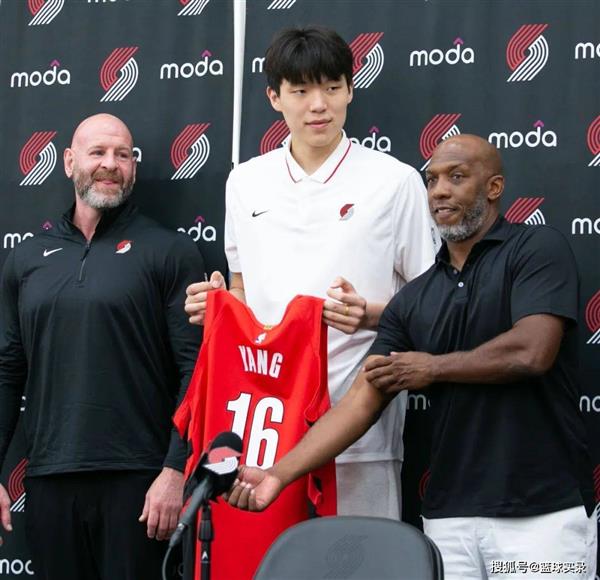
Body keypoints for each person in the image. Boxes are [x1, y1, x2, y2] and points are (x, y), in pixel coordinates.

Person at [226, 135, 597, 580]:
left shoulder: (536, 249)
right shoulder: (415, 297)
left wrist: (432, 367)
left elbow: (531, 351)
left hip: (541, 515)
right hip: (448, 520)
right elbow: (361, 400)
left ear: (494, 187)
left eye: (456, 177)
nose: (439, 191)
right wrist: (277, 474)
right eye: (432, 180)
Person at [184, 26, 438, 519]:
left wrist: (369, 315)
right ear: (274, 97)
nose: (318, 105)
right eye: (300, 91)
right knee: (270, 558)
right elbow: (241, 285)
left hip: (360, 432)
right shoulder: (245, 181)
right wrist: (218, 305)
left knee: (359, 557)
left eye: (332, 87)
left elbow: (430, 303)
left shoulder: (395, 181)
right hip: (263, 426)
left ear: (350, 90)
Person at [0, 113, 205, 580]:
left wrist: (175, 470)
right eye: (98, 152)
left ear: (133, 166)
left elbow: (196, 369)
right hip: (49, 480)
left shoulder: (169, 251)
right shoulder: (26, 258)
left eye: (122, 154)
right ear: (69, 161)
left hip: (141, 483)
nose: (110, 164)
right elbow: (8, 371)